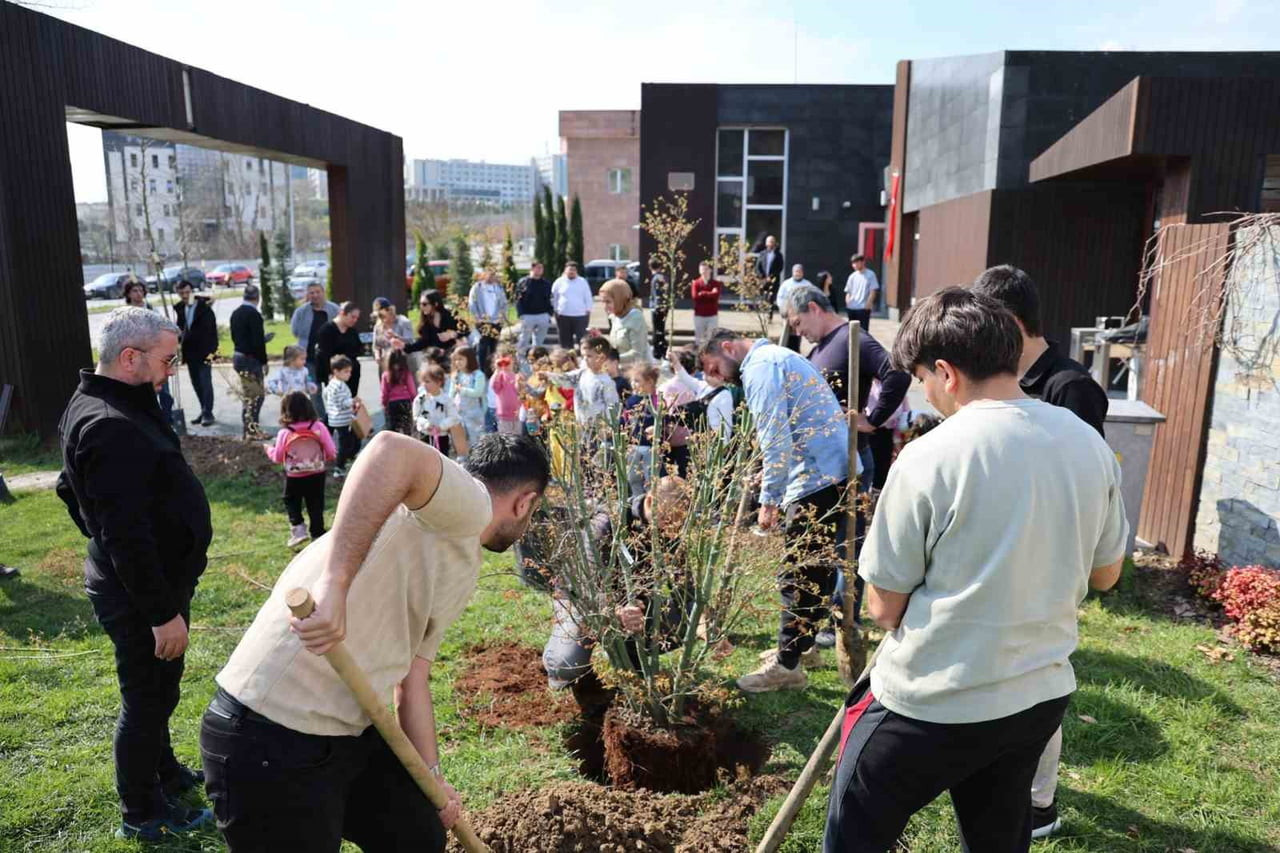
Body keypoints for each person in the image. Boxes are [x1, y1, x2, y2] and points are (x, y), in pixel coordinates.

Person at [823, 288, 1127, 853]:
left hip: (932, 700)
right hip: (1035, 695)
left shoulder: (930, 456)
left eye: (923, 380)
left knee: (856, 829)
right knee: (997, 834)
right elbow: (1106, 575)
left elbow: (884, 607)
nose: (927, 394)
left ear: (946, 372)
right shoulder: (1086, 444)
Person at [202, 432, 549, 852]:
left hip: (349, 729)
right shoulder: (471, 504)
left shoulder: (461, 550)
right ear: (525, 502)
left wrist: (433, 778)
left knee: (416, 834)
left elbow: (413, 678)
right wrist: (335, 584)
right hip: (268, 735)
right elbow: (389, 450)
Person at [55, 307, 213, 841]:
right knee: (146, 700)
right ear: (131, 357)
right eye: (167, 360)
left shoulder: (113, 399)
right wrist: (161, 613)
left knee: (160, 692)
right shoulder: (107, 422)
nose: (171, 369)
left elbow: (67, 488)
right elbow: (123, 533)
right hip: (142, 595)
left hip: (153, 584)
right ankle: (142, 813)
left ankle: (163, 772)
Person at [971, 264, 1110, 838]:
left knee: (1036, 685)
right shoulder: (1000, 380)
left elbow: (1077, 484)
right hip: (999, 555)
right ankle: (998, 783)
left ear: (1008, 322)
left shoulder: (1069, 388)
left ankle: (1039, 806)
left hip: (1043, 562)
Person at [699, 328, 851, 693]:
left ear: (728, 347)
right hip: (832, 472)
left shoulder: (760, 368)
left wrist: (769, 498)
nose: (719, 377)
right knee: (817, 571)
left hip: (814, 476)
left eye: (714, 367)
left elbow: (775, 435)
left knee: (797, 574)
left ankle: (787, 667)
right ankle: (804, 648)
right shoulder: (780, 357)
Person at [784, 285, 912, 642]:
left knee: (846, 543)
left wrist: (871, 417)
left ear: (813, 307)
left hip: (854, 456)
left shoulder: (852, 338)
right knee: (824, 541)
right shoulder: (820, 347)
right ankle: (824, 617)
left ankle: (844, 619)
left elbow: (897, 373)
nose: (797, 331)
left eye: (797, 322)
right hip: (826, 465)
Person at [543, 475, 690, 690]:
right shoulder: (609, 520)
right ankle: (557, 661)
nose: (670, 529)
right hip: (583, 601)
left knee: (684, 617)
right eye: (666, 519)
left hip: (635, 605)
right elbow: (588, 583)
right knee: (567, 664)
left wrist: (704, 622)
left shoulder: (672, 529)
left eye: (677, 522)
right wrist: (615, 610)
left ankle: (630, 656)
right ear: (649, 501)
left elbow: (686, 586)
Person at [972, 264, 1109, 438]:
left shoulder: (1072, 386)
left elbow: (1085, 459)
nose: (978, 338)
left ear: (1012, 324)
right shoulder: (998, 378)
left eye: (984, 328)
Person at [264, 391, 336, 548]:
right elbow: (331, 451)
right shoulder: (318, 427)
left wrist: (268, 449)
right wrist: (324, 459)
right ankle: (317, 532)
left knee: (291, 501)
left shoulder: (285, 432)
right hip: (317, 472)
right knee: (316, 502)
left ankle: (298, 530)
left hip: (294, 475)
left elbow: (277, 457)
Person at [173, 280, 218, 426]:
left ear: (192, 291)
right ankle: (203, 409)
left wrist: (213, 351)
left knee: (205, 382)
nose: (185, 295)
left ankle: (208, 413)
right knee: (196, 383)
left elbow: (211, 331)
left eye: (187, 292)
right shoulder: (180, 309)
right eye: (182, 293)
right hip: (190, 352)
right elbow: (181, 328)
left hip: (205, 351)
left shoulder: (204, 308)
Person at [230, 284, 272, 440]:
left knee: (249, 395)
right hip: (250, 359)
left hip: (238, 356)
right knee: (256, 396)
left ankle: (249, 430)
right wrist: (264, 361)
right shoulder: (254, 314)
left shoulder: (236, 313)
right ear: (258, 297)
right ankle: (251, 431)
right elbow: (257, 343)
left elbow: (236, 337)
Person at [414, 363, 468, 459]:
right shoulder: (420, 399)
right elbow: (417, 415)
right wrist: (426, 424)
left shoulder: (446, 400)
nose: (424, 385)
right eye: (423, 382)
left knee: (442, 458)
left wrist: (441, 426)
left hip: (441, 435)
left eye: (427, 382)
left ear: (438, 382)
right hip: (424, 435)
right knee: (425, 458)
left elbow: (453, 417)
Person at [314, 302, 363, 395]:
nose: (355, 320)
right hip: (335, 373)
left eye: (357, 318)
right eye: (352, 317)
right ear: (342, 313)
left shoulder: (352, 332)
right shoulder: (326, 330)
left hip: (351, 373)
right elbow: (323, 355)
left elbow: (358, 349)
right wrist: (330, 373)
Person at [324, 355, 361, 477]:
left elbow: (327, 397)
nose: (349, 374)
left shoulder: (332, 384)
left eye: (349, 371)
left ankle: (344, 460)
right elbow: (343, 403)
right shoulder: (340, 385)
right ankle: (339, 467)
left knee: (349, 440)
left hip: (334, 418)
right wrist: (353, 401)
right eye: (346, 372)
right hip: (342, 420)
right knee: (345, 444)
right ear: (336, 371)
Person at [601, 279, 651, 365]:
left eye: (608, 302)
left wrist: (612, 359)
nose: (605, 307)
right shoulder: (616, 316)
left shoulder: (636, 318)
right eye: (603, 302)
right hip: (618, 370)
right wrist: (600, 339)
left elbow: (638, 354)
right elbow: (617, 345)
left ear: (620, 299)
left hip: (635, 373)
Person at [468, 269, 508, 378]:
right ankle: (481, 369)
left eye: (493, 275)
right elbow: (472, 303)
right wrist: (477, 318)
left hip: (496, 321)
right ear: (483, 275)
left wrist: (502, 317)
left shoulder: (498, 288)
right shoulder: (477, 287)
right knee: (483, 345)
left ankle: (492, 370)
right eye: (489, 274)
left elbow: (504, 303)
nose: (491, 277)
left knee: (493, 345)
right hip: (482, 321)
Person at [290, 281, 339, 366]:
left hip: (330, 356)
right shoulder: (301, 311)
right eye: (312, 293)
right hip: (307, 356)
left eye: (318, 292)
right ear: (308, 295)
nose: (315, 295)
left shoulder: (334, 309)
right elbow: (295, 331)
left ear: (323, 292)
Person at [398, 290, 460, 356]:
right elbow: (423, 342)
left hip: (454, 355)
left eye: (424, 304)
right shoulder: (426, 320)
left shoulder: (451, 315)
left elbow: (466, 331)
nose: (421, 307)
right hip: (436, 357)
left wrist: (453, 334)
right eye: (420, 304)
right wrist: (404, 346)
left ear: (435, 304)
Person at [449, 346, 488, 450]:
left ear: (469, 359)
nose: (458, 362)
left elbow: (478, 392)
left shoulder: (477, 375)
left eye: (461, 359)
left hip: (475, 414)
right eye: (456, 359)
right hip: (459, 414)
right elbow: (451, 394)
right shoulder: (456, 376)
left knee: (477, 441)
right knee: (461, 440)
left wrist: (462, 390)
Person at [515, 260, 553, 361]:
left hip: (543, 315)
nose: (540, 270)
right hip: (528, 315)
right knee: (524, 339)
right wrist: (521, 314)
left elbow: (550, 299)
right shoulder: (523, 282)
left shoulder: (546, 284)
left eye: (542, 268)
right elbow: (518, 300)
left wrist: (549, 314)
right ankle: (520, 359)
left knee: (539, 341)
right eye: (538, 267)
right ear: (532, 268)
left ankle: (535, 358)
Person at [551, 262, 593, 349]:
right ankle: (568, 359)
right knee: (565, 340)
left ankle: (582, 358)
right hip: (563, 315)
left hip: (580, 315)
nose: (572, 272)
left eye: (574, 270)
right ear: (565, 270)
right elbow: (554, 297)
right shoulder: (559, 282)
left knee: (582, 339)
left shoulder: (582, 282)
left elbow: (588, 297)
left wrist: (588, 309)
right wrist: (555, 310)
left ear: (576, 271)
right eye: (570, 270)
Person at [371, 296, 415, 372]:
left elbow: (410, 341)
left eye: (381, 315)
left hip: (404, 363)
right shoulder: (377, 326)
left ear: (390, 310)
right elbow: (376, 346)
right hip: (386, 364)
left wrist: (395, 336)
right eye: (378, 316)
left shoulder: (403, 322)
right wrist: (377, 355)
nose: (380, 318)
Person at [380, 349, 417, 436]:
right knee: (407, 428)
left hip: (392, 404)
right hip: (405, 402)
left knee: (393, 430)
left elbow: (384, 393)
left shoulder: (386, 375)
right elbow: (412, 391)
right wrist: (414, 402)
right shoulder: (406, 374)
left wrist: (384, 404)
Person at [844, 254, 880, 332]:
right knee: (851, 330)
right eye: (853, 263)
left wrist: (869, 303)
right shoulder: (852, 276)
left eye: (856, 263)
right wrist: (848, 302)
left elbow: (873, 290)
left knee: (863, 331)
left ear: (863, 262)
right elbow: (848, 291)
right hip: (852, 307)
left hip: (863, 308)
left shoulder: (870, 274)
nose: (854, 265)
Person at [690, 261, 722, 348]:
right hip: (699, 315)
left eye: (706, 269)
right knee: (699, 338)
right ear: (699, 271)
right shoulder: (696, 283)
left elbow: (716, 296)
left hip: (712, 315)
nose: (704, 272)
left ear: (710, 270)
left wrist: (702, 293)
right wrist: (710, 293)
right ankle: (698, 357)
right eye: (702, 270)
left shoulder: (716, 284)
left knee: (712, 337)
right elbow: (695, 297)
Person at [490, 354, 521, 435]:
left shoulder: (517, 376)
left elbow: (520, 391)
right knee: (506, 437)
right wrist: (497, 370)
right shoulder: (500, 376)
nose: (504, 366)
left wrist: (518, 382)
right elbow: (494, 386)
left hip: (517, 414)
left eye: (507, 363)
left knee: (517, 437)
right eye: (501, 363)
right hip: (503, 415)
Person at [755, 235, 786, 316]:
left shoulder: (778, 255)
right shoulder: (762, 253)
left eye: (772, 242)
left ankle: (770, 315)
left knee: (771, 298)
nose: (771, 243)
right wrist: (762, 276)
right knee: (763, 297)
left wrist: (771, 277)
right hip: (763, 280)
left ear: (774, 243)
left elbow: (780, 267)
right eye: (769, 242)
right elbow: (758, 266)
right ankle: (763, 313)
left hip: (773, 280)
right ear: (766, 243)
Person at [648, 257, 670, 360]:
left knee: (657, 331)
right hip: (663, 307)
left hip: (658, 308)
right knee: (660, 330)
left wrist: (657, 308)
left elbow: (658, 295)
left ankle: (658, 352)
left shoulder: (656, 278)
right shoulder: (663, 277)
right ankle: (662, 350)